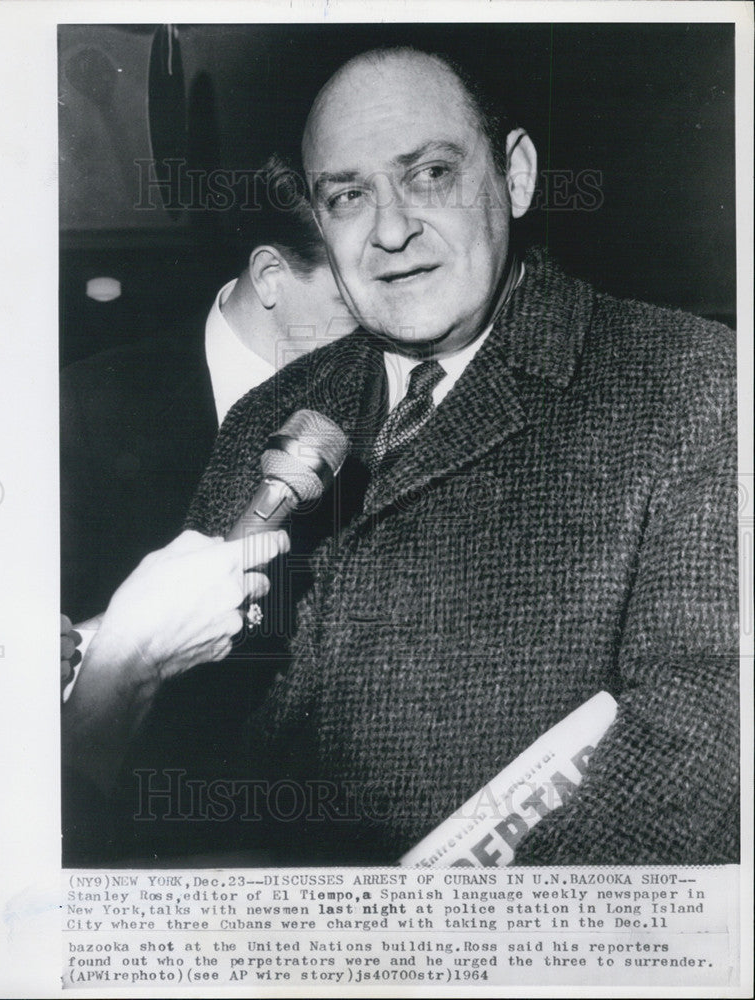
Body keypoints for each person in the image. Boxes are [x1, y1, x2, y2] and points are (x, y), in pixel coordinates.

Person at [65, 46, 738, 866]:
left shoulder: (689, 381)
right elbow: (182, 741)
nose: (389, 230)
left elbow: (701, 736)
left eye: (429, 174)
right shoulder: (265, 416)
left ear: (516, 176)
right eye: (348, 196)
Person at [60, 155, 357, 624]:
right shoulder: (82, 407)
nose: (379, 321)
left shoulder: (376, 402)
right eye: (352, 302)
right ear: (269, 277)